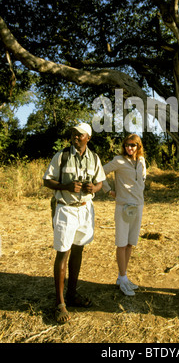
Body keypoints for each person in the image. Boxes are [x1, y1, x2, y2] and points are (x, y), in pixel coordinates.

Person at [43, 122, 105, 323]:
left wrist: (93, 189)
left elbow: (100, 182)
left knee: (78, 250)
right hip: (65, 209)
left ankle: (72, 294)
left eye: (79, 135)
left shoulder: (94, 158)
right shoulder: (61, 156)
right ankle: (60, 303)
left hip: (85, 210)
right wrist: (65, 186)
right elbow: (47, 180)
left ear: (88, 137)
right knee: (63, 253)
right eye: (73, 134)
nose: (75, 137)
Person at [102, 134, 146, 296]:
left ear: (138, 146)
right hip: (123, 206)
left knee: (130, 243)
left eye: (133, 145)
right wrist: (108, 190)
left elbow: (142, 179)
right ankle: (122, 277)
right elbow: (100, 173)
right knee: (121, 243)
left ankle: (123, 277)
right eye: (127, 145)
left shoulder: (141, 161)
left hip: (138, 205)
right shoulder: (118, 161)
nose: (130, 148)